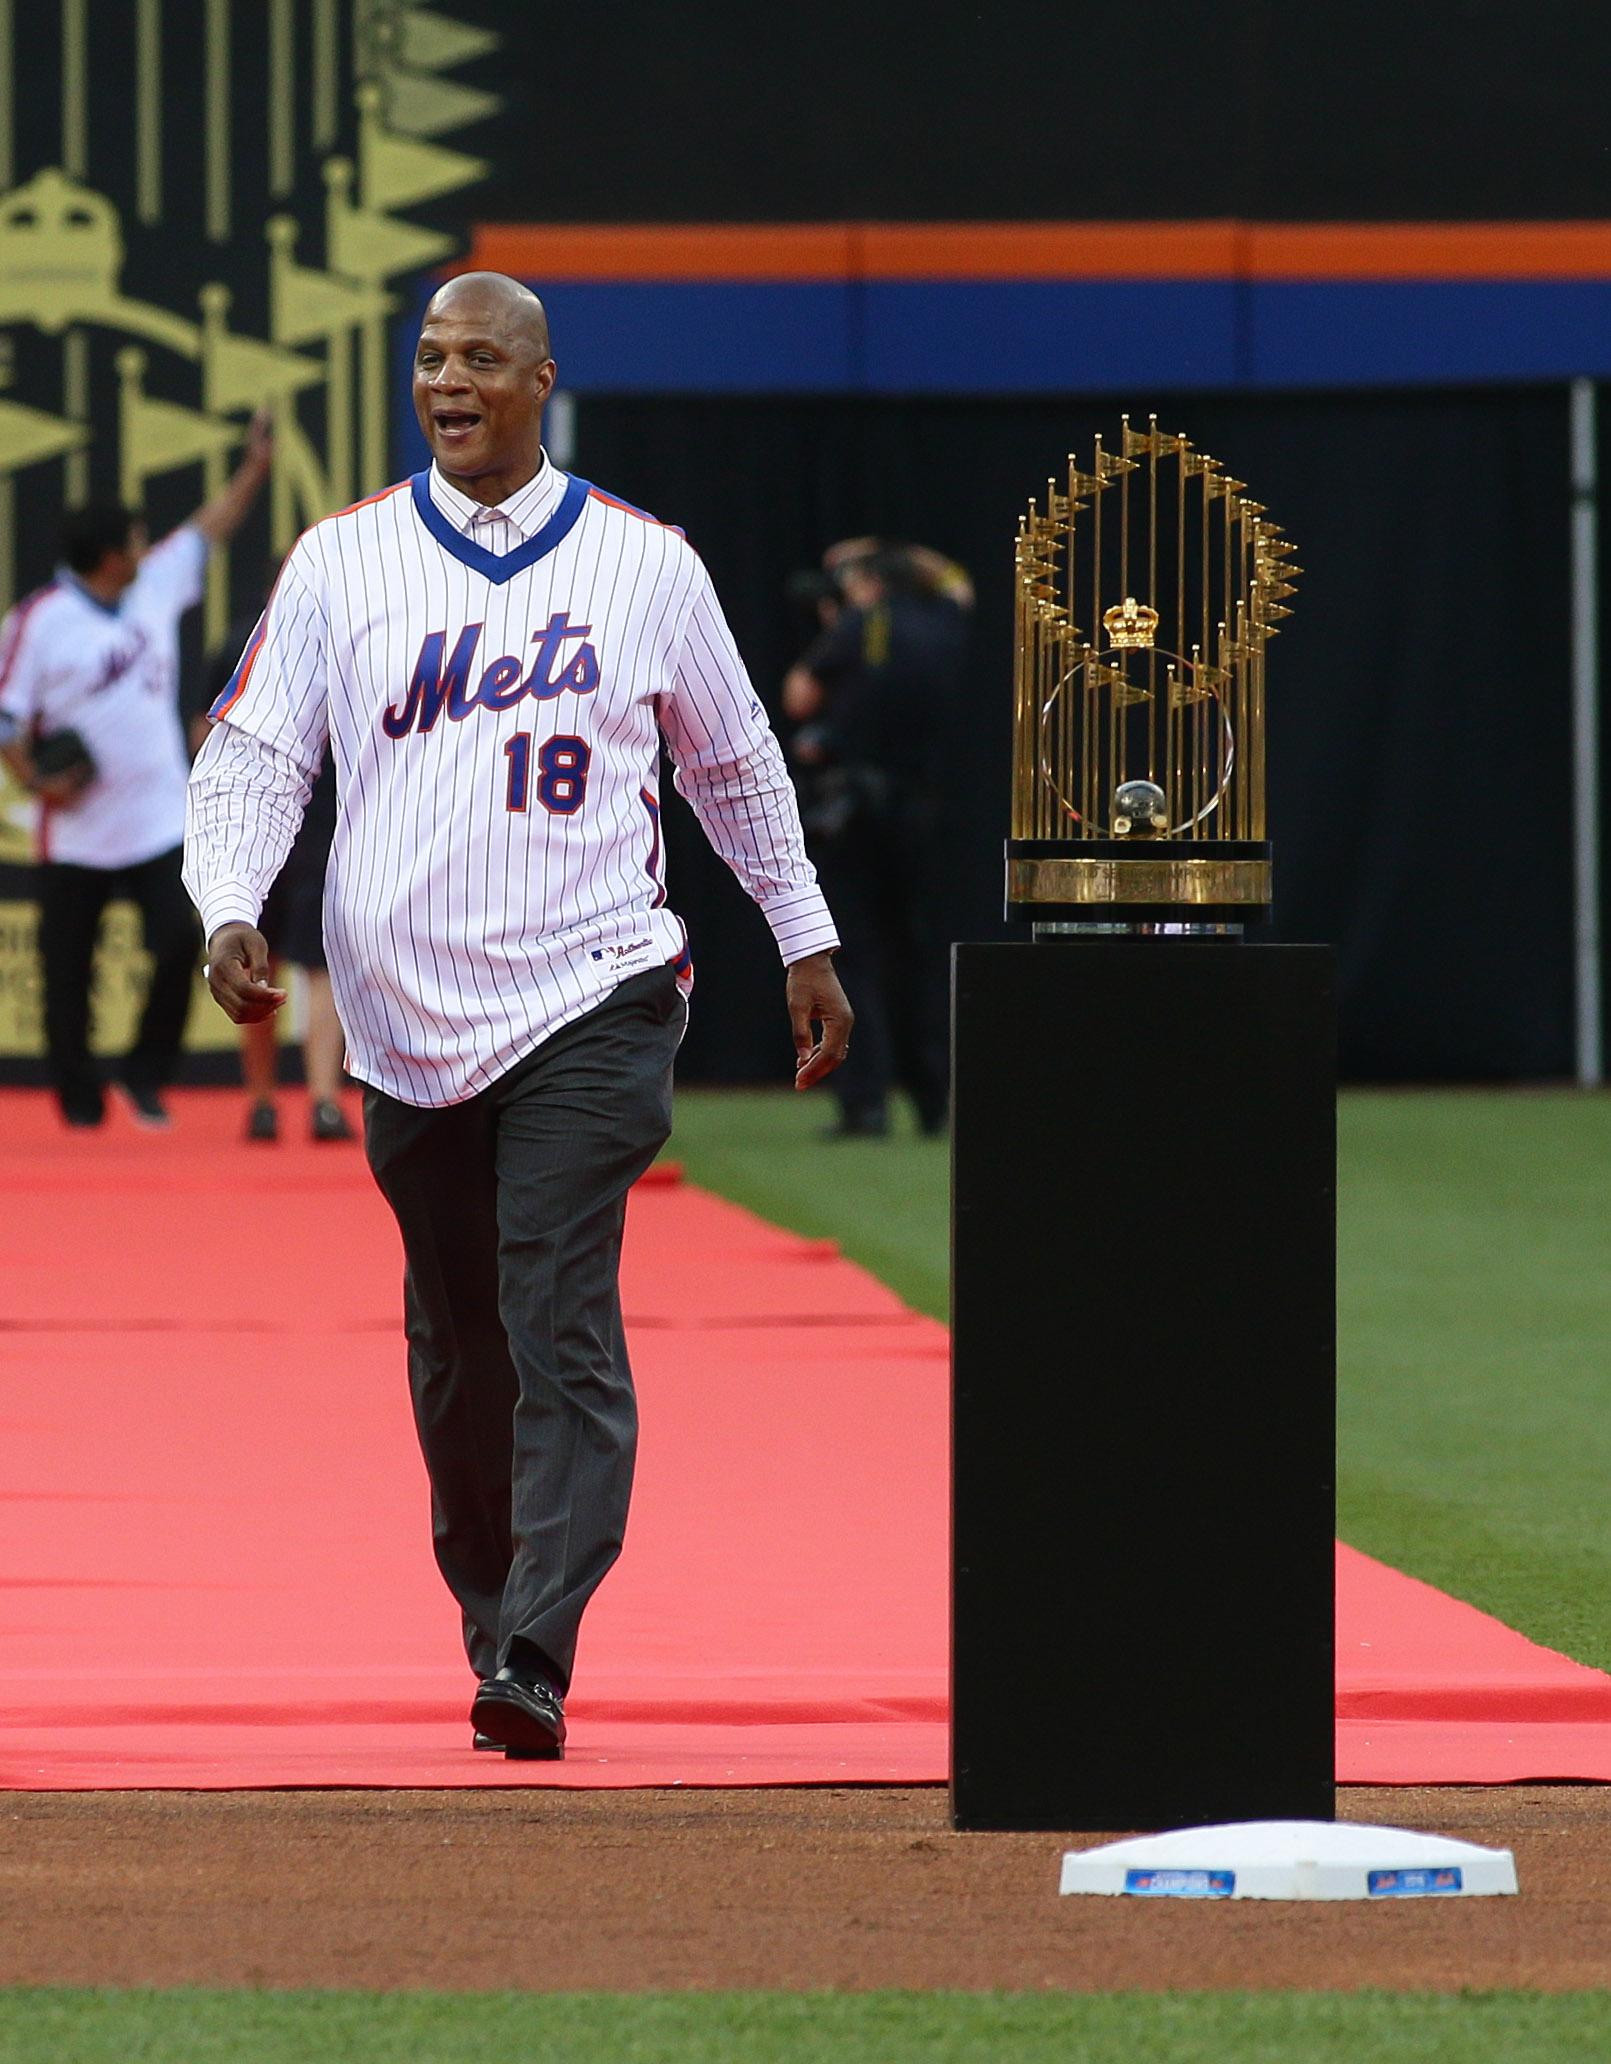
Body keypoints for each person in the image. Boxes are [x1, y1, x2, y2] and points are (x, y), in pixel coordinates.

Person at [184, 272, 852, 1761]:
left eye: (480, 356)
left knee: (554, 1305)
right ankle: (491, 1607)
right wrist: (229, 903)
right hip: (409, 1023)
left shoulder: (645, 566)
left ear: (540, 379)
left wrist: (800, 938)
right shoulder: (340, 563)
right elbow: (250, 761)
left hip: (594, 991)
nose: (448, 379)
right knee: (457, 1336)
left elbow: (732, 768)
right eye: (430, 357)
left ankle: (539, 1646)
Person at [0, 420, 273, 1127]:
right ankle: (80, 1103)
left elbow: (207, 529)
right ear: (109, 555)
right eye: (133, 540)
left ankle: (146, 1074)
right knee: (68, 972)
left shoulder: (150, 585)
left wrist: (254, 466)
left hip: (159, 818)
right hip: (80, 829)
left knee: (184, 940)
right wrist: (34, 780)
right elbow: (5, 718)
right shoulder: (40, 620)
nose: (144, 548)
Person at [782, 540, 968, 1138]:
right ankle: (934, 1101)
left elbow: (800, 697)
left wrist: (834, 627)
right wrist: (905, 554)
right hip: (921, 808)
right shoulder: (944, 619)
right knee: (917, 955)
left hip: (858, 809)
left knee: (853, 956)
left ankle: (865, 1105)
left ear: (867, 582)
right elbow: (960, 584)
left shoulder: (862, 622)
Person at [201, 580, 353, 1145]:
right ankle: (287, 1101)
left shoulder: (350, 641)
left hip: (312, 827)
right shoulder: (247, 643)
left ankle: (308, 1102)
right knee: (265, 964)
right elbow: (205, 732)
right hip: (270, 829)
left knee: (314, 966)